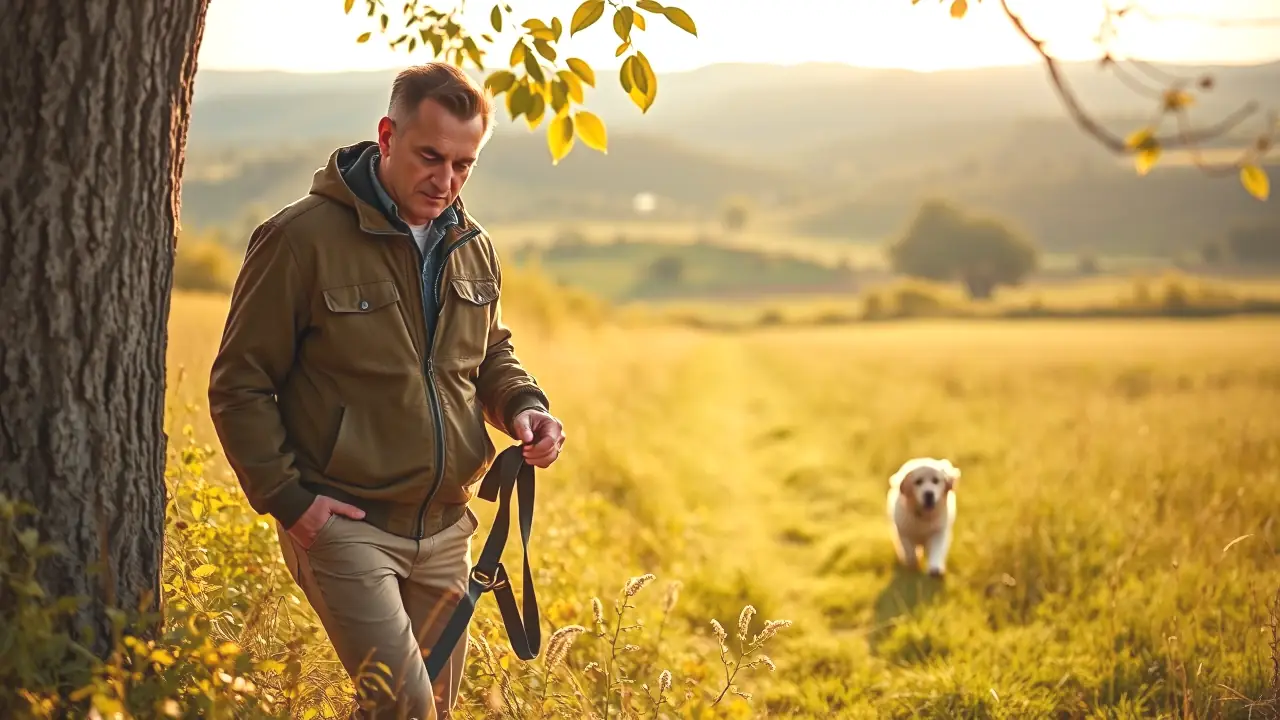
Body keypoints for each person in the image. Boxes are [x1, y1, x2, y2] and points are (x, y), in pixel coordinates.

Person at [207, 62, 565, 719]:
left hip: (447, 527)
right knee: (407, 709)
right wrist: (291, 502)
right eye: (431, 156)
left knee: (421, 710)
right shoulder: (298, 239)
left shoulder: (472, 245)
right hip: (345, 525)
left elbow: (488, 354)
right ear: (387, 136)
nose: (446, 180)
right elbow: (240, 383)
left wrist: (526, 406)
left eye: (464, 165)